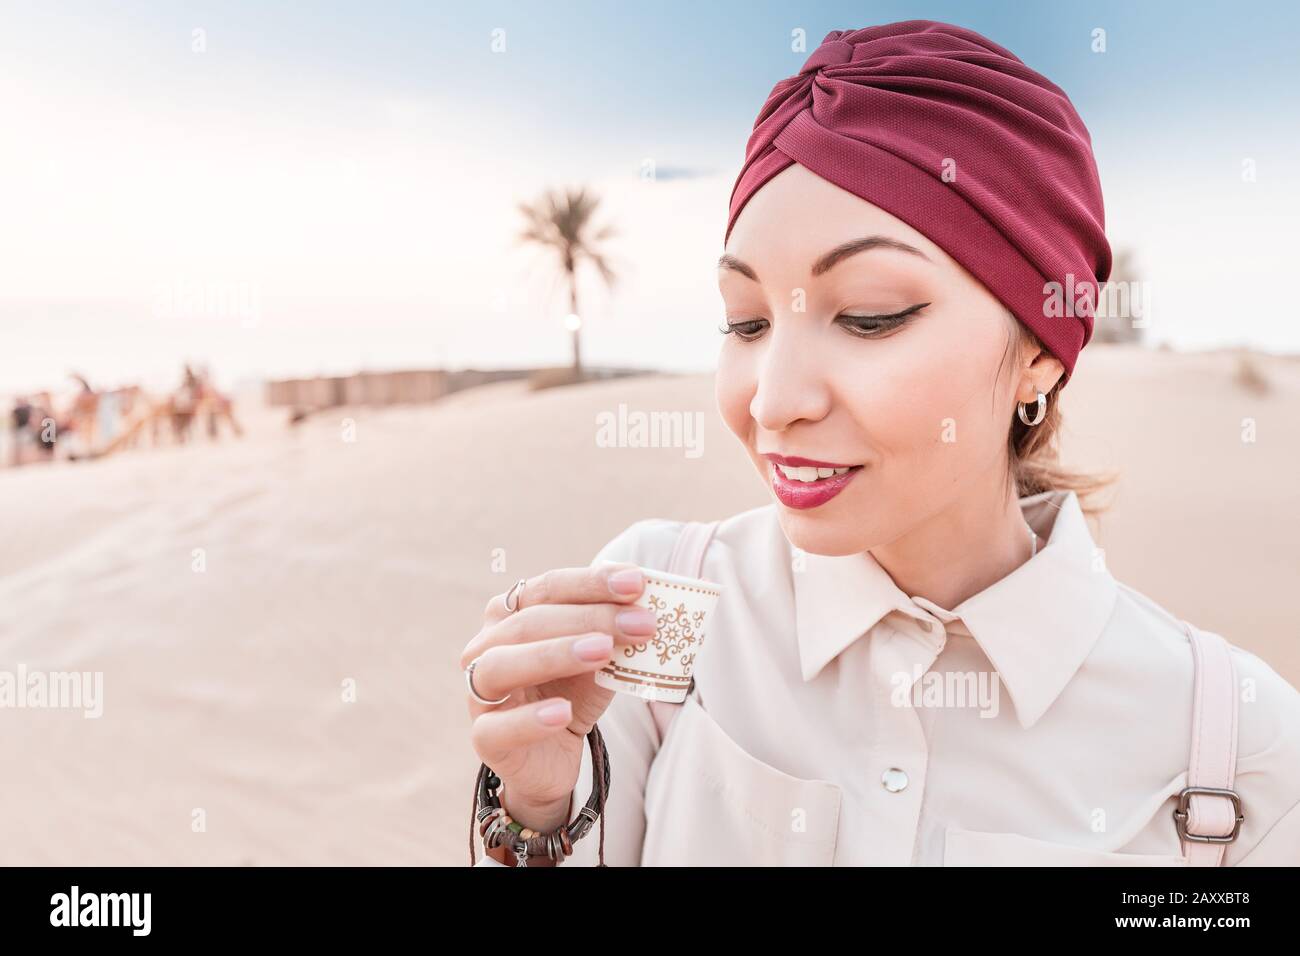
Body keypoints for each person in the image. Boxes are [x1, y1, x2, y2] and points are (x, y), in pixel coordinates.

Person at [462, 20, 1300, 866]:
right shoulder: (668, 607)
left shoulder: (1236, 750)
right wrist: (535, 811)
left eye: (869, 316)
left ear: (1041, 358)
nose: (775, 400)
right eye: (746, 321)